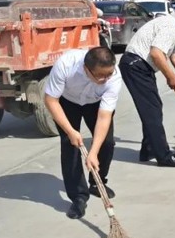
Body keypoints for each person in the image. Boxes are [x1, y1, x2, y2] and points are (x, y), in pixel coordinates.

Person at [119, 4, 175, 167]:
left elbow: (174, 55)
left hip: (138, 66)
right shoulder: (170, 25)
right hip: (136, 65)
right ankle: (164, 156)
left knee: (152, 108)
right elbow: (156, 53)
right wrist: (171, 77)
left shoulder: (170, 25)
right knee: (152, 111)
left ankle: (148, 149)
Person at [44, 46, 121, 220]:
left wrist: (92, 152)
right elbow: (51, 100)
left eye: (108, 74)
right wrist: (71, 131)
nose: (105, 79)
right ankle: (78, 197)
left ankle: (97, 181)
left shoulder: (114, 77)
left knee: (106, 143)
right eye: (100, 76)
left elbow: (104, 116)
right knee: (70, 145)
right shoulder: (66, 64)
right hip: (68, 101)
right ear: (86, 69)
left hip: (95, 103)